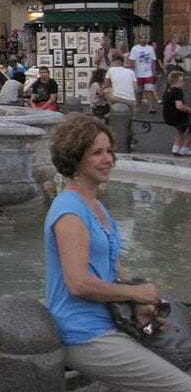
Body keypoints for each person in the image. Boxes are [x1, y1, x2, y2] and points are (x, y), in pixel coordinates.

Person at [44, 113, 189, 391]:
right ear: (76, 158)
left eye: (109, 151)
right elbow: (78, 283)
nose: (108, 159)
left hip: (109, 323)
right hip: (83, 334)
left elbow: (114, 267)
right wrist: (135, 294)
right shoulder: (69, 210)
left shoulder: (96, 206)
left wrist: (142, 301)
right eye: (97, 153)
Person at [130, 34, 162, 114]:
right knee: (139, 92)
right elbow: (132, 61)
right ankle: (138, 106)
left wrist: (154, 72)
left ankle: (151, 107)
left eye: (145, 38)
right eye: (142, 38)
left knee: (149, 90)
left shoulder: (150, 48)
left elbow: (153, 60)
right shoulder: (135, 49)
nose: (143, 39)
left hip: (148, 73)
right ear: (139, 39)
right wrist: (132, 73)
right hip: (138, 74)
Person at [162, 70, 191, 157]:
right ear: (176, 81)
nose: (184, 82)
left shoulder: (167, 91)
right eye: (182, 80)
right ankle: (185, 149)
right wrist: (188, 109)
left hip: (168, 116)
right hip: (178, 116)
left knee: (179, 130)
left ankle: (176, 148)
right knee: (189, 130)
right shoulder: (177, 91)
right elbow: (179, 106)